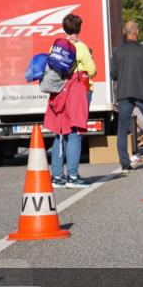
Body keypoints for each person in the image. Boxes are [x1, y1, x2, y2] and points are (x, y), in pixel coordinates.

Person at [45, 14, 96, 188]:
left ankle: (57, 177)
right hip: (76, 91)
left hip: (59, 92)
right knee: (74, 133)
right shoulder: (80, 47)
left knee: (59, 132)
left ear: (64, 28)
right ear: (79, 28)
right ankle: (73, 176)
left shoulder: (56, 45)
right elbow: (92, 70)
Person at [111, 20, 143, 171]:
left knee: (122, 128)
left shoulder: (118, 51)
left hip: (125, 93)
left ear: (124, 32)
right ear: (137, 32)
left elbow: (114, 74)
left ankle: (125, 163)